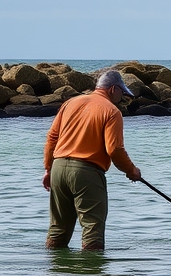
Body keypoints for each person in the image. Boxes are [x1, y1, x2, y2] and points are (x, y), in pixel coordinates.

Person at [42, 70, 142, 251]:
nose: (123, 97)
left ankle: (55, 275)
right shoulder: (112, 111)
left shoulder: (70, 103)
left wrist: (49, 170)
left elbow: (51, 138)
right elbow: (115, 150)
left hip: (58, 168)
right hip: (86, 172)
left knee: (58, 229)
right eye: (122, 92)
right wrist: (131, 170)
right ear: (113, 89)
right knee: (92, 230)